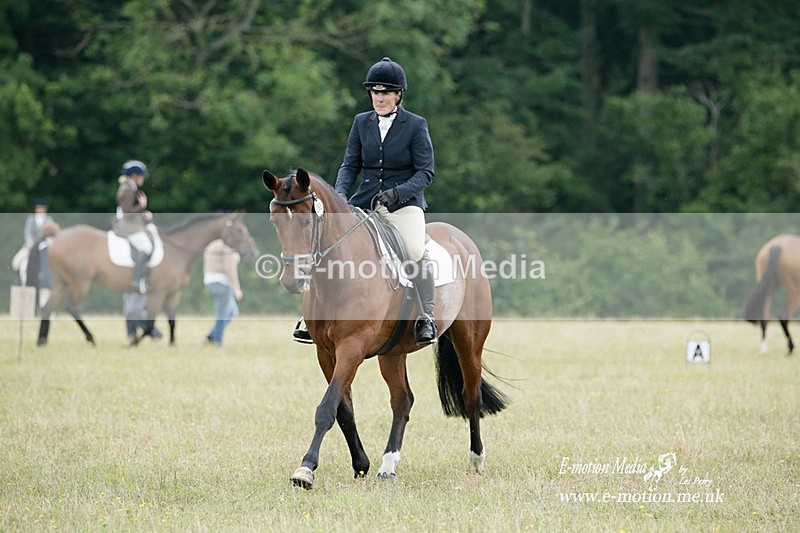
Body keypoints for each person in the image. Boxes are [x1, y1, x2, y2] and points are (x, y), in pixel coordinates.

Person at [294, 56, 438, 346]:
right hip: (363, 203)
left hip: (403, 205)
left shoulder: (415, 125)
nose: (379, 98)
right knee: (324, 243)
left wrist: (398, 193)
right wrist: (340, 196)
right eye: (375, 92)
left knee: (413, 248)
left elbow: (426, 172)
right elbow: (350, 165)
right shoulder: (361, 122)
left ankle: (426, 315)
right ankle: (312, 317)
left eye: (385, 92)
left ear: (398, 95)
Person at [114, 160, 154, 294]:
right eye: (141, 176)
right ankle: (137, 280)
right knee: (147, 248)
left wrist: (144, 214)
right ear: (135, 176)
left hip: (132, 224)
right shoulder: (127, 189)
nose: (143, 179)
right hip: (127, 226)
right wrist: (142, 206)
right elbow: (128, 213)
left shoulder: (131, 188)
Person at [203, 238, 243, 346]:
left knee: (232, 312)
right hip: (222, 283)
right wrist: (237, 288)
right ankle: (218, 342)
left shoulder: (212, 244)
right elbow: (230, 269)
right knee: (222, 314)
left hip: (209, 282)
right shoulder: (226, 247)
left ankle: (211, 335)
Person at [13, 199, 54, 286]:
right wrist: (30, 242)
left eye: (42, 209)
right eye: (39, 208)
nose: (40, 211)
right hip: (30, 246)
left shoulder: (49, 220)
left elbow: (50, 234)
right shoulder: (31, 219)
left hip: (44, 246)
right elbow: (27, 233)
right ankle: (21, 282)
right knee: (16, 262)